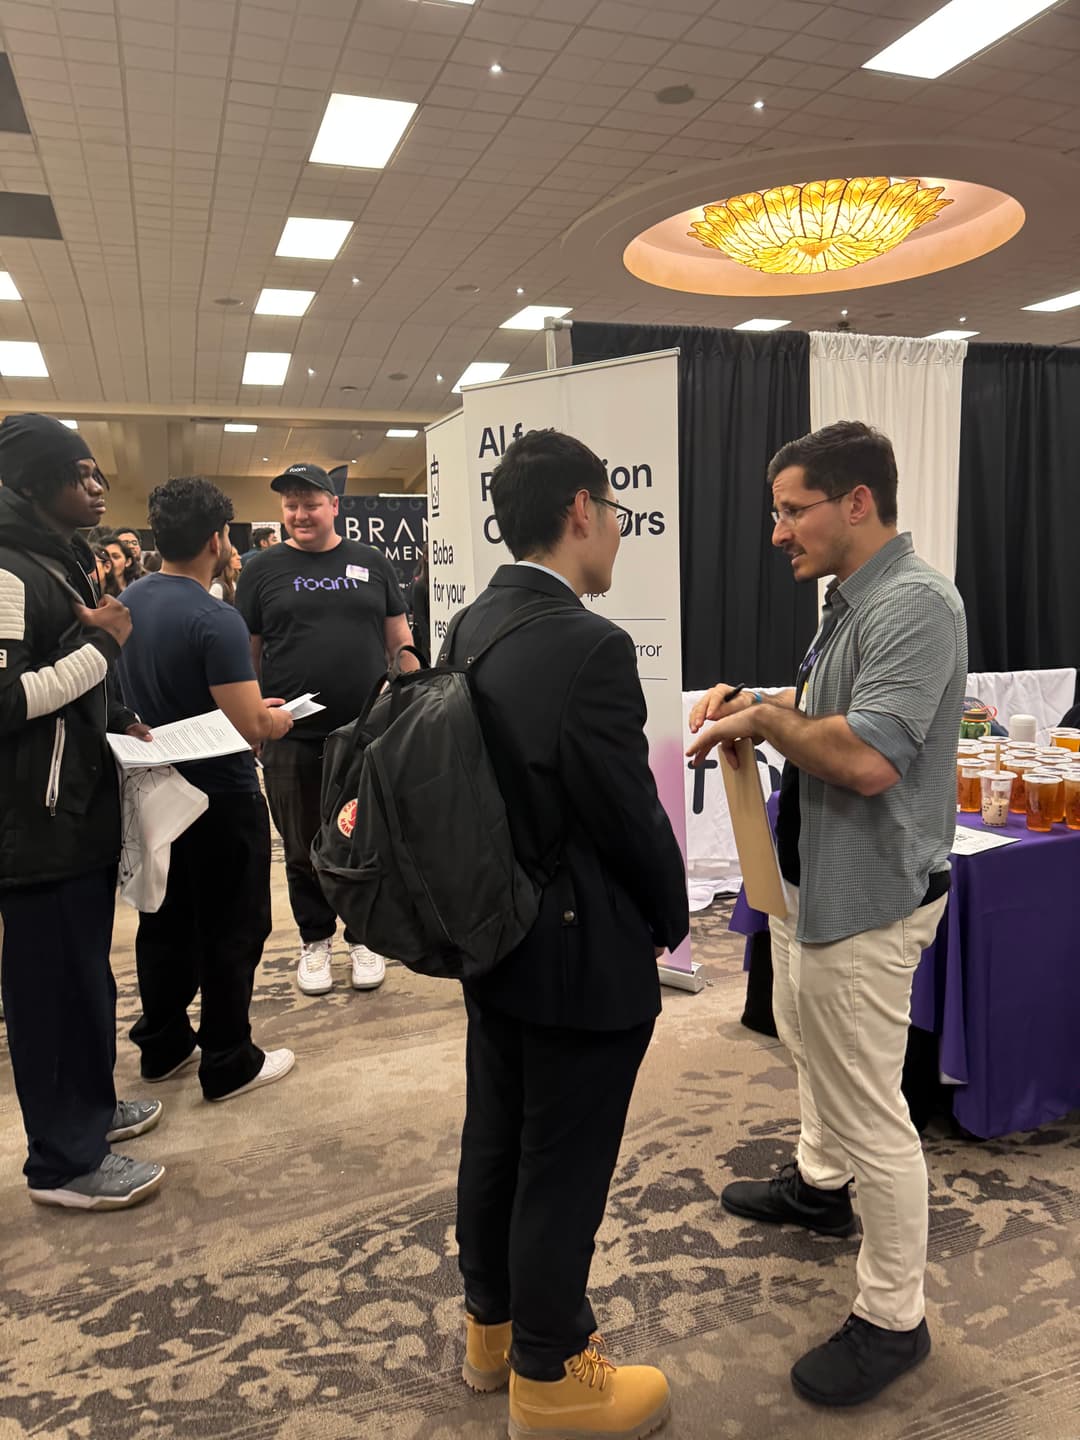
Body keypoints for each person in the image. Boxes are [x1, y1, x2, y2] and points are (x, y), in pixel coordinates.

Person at [687, 421, 967, 1408]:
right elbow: (833, 716)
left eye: (790, 510)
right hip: (817, 887)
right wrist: (758, 700)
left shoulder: (919, 604)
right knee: (810, 1044)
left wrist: (763, 719)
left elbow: (866, 758)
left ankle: (895, 1317)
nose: (777, 533)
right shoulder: (853, 602)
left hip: (871, 903)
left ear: (857, 503)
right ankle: (819, 1183)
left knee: (870, 1106)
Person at [443, 430, 689, 1440]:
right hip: (580, 952)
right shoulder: (589, 645)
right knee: (564, 1162)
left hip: (492, 936)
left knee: (498, 1132)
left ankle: (491, 1331)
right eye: (616, 510)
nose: (623, 531)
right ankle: (549, 1377)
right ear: (582, 510)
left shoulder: (472, 624)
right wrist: (670, 918)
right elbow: (628, 816)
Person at [0, 412, 164, 1211]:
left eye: (99, 473)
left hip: (76, 814)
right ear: (34, 484)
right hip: (36, 826)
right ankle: (63, 1162)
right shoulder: (5, 570)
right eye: (81, 474)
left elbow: (64, 686)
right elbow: (5, 699)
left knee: (85, 980)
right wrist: (103, 649)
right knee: (51, 991)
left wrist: (116, 716)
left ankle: (91, 1113)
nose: (98, 487)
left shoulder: (53, 561)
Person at [116, 477, 296, 1101]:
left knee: (163, 922)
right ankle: (228, 1057)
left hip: (152, 794)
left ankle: (163, 1045)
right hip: (220, 797)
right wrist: (277, 717)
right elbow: (249, 729)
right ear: (219, 540)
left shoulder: (127, 603)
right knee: (233, 928)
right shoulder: (215, 617)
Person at [236, 463, 416, 997]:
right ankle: (316, 939)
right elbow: (247, 654)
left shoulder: (371, 563)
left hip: (365, 731)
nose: (299, 514)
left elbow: (399, 641)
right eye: (290, 505)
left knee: (364, 834)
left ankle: (364, 936)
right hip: (289, 734)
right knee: (299, 844)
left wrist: (410, 698)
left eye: (310, 503)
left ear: (334, 506)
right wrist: (250, 720)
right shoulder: (261, 569)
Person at [410, 543, 430, 666]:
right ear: (426, 557)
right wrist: (429, 643)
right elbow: (420, 616)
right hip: (424, 641)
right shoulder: (419, 584)